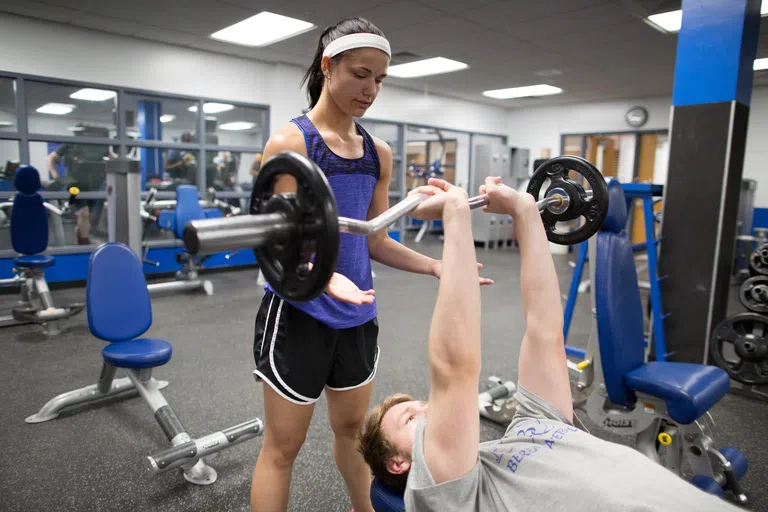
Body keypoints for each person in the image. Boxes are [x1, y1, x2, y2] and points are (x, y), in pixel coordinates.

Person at [358, 177, 741, 511]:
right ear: (398, 464)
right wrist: (455, 212)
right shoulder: (447, 493)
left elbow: (545, 331)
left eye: (421, 404)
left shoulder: (530, 425)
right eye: (410, 418)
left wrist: (525, 210)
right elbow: (454, 370)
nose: (428, 409)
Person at [249, 17, 492, 512]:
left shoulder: (376, 153)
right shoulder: (291, 145)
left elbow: (374, 238)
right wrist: (321, 275)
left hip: (357, 316)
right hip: (300, 314)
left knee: (352, 435)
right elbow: (276, 242)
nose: (370, 89)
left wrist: (433, 267)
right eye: (361, 74)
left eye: (379, 79)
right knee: (283, 449)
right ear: (328, 66)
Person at [47, 138, 114, 245]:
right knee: (83, 213)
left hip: (93, 186)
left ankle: (80, 239)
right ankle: (84, 242)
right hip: (74, 186)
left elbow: (113, 161)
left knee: (86, 217)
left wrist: (109, 179)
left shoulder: (100, 146)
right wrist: (56, 177)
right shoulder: (71, 143)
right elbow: (50, 158)